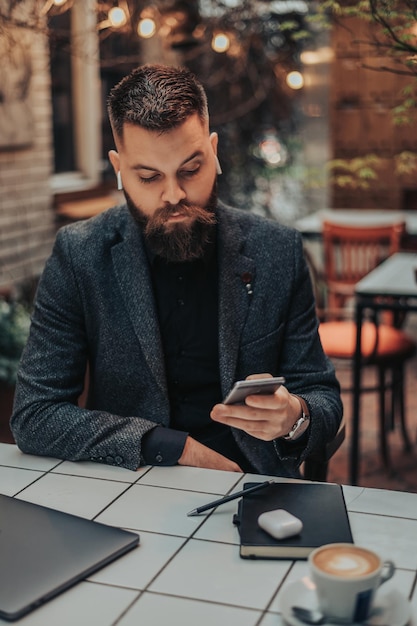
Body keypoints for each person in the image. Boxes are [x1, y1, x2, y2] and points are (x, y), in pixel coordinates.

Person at [11, 64, 342, 477]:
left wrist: (295, 416)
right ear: (118, 167)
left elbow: (323, 399)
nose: (174, 195)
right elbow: (35, 415)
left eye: (190, 170)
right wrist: (168, 446)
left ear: (214, 151)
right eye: (148, 177)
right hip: (132, 482)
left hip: (253, 482)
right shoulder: (80, 255)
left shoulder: (277, 250)